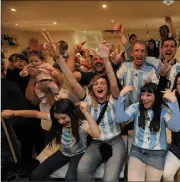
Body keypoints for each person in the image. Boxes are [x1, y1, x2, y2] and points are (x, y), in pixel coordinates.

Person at [42, 32, 126, 182]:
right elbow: (72, 81)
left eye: (103, 84)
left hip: (115, 142)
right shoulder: (87, 100)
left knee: (110, 179)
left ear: (107, 88)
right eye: (96, 84)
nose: (100, 85)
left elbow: (113, 82)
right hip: (96, 143)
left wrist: (106, 60)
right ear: (92, 89)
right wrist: (58, 58)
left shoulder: (114, 99)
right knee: (82, 170)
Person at [2, 99, 102, 181]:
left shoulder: (81, 123)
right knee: (36, 175)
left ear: (73, 113)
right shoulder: (58, 120)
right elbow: (36, 114)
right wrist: (14, 113)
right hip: (63, 152)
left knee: (70, 178)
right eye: (58, 119)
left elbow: (97, 134)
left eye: (63, 118)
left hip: (78, 153)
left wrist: (86, 113)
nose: (61, 122)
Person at [115, 83, 180, 181]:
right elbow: (120, 118)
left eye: (149, 95)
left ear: (156, 96)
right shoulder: (136, 107)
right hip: (137, 151)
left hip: (157, 154)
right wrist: (121, 95)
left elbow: (176, 128)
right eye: (142, 94)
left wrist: (174, 101)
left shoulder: (163, 110)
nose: (144, 98)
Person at [115, 40, 160, 107]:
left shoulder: (151, 70)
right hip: (126, 109)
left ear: (146, 54)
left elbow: (156, 91)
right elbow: (115, 83)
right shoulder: (124, 66)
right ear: (132, 53)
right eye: (136, 50)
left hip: (144, 110)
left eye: (142, 51)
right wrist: (114, 64)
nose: (139, 53)